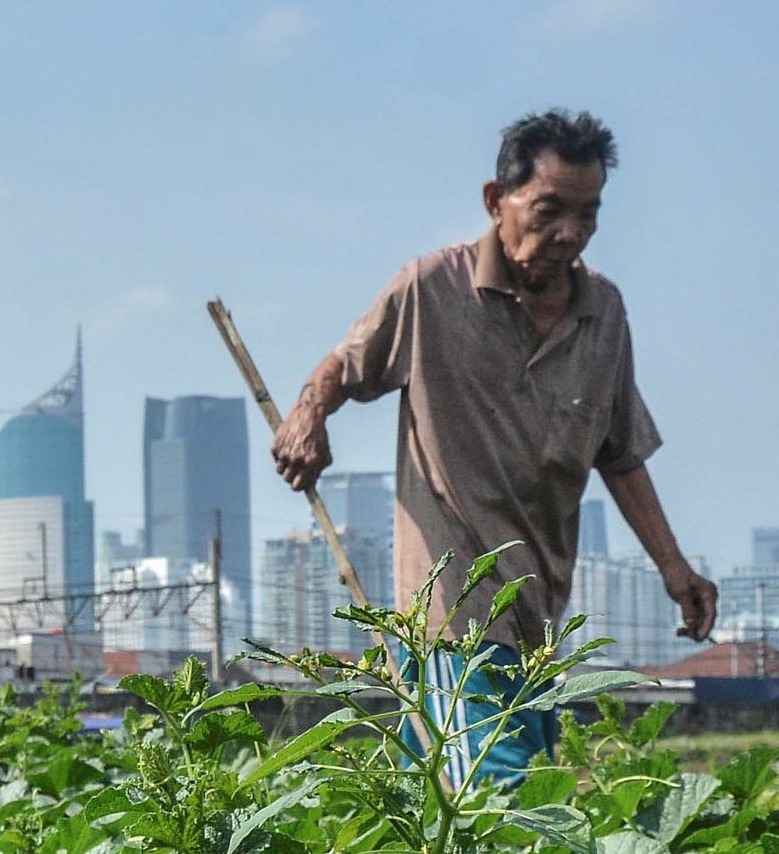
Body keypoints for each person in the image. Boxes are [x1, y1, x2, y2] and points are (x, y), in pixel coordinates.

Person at [269, 110, 718, 779]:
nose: (569, 234)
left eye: (587, 215)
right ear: (494, 201)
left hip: (540, 623)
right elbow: (342, 365)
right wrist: (308, 415)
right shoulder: (430, 290)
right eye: (548, 212)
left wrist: (675, 570)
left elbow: (619, 454)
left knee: (486, 827)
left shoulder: (604, 315)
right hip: (451, 620)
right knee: (508, 811)